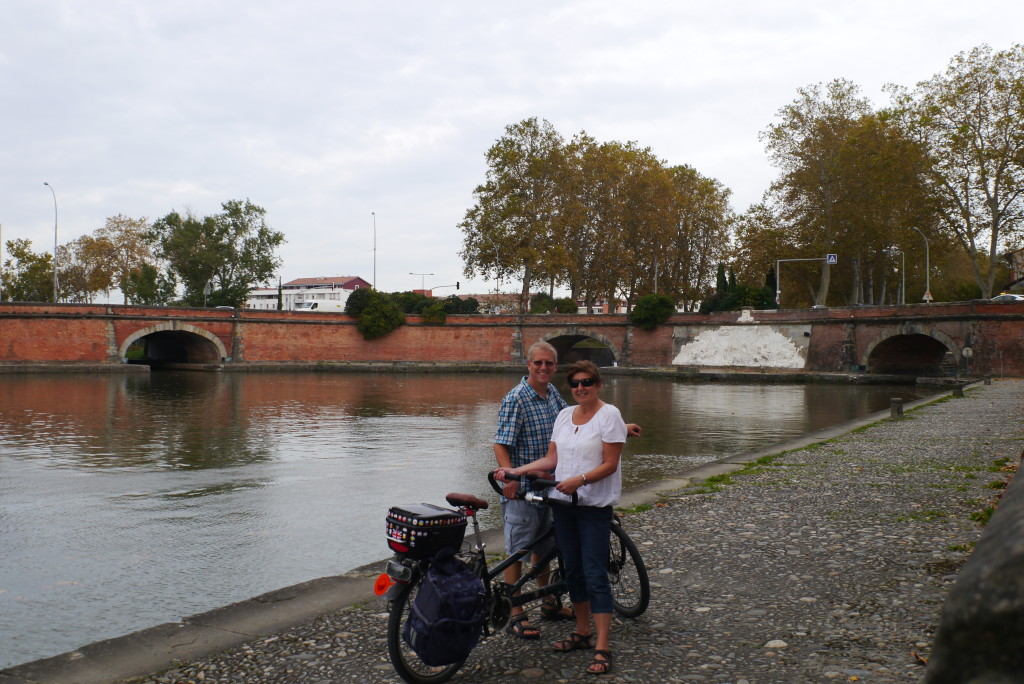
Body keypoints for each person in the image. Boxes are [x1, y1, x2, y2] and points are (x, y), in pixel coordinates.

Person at [495, 360, 625, 675]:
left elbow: (610, 463)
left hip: (592, 506)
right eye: (576, 383)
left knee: (595, 573)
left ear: (598, 383)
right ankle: (582, 632)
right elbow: (553, 458)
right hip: (563, 505)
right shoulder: (564, 415)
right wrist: (516, 471)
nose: (581, 387)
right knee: (574, 572)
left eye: (587, 382)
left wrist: (580, 479)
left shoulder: (609, 415)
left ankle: (602, 646)